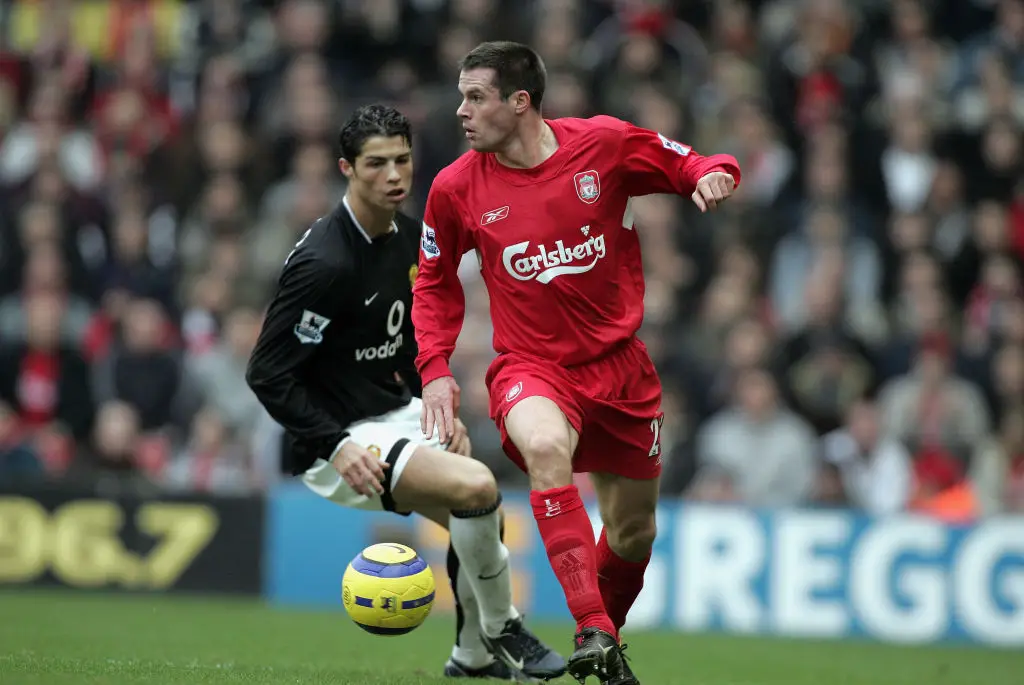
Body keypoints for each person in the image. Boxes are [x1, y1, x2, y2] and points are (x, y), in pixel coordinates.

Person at [412, 42, 741, 685]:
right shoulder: (455, 187)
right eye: (461, 97)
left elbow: (687, 161)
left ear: (520, 102)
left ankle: (603, 645)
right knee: (544, 446)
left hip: (621, 371)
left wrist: (712, 172)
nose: (461, 111)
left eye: (475, 97)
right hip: (531, 367)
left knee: (633, 532)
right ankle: (590, 623)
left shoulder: (603, 145)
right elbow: (433, 282)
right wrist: (436, 369)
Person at [245, 104, 565, 683]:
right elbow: (268, 373)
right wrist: (334, 444)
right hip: (336, 440)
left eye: (402, 160)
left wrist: (436, 399)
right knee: (478, 486)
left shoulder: (414, 239)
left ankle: (471, 658)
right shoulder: (324, 262)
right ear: (347, 168)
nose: (394, 175)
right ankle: (505, 628)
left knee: (480, 517)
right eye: (376, 163)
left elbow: (413, 339)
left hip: (395, 413)